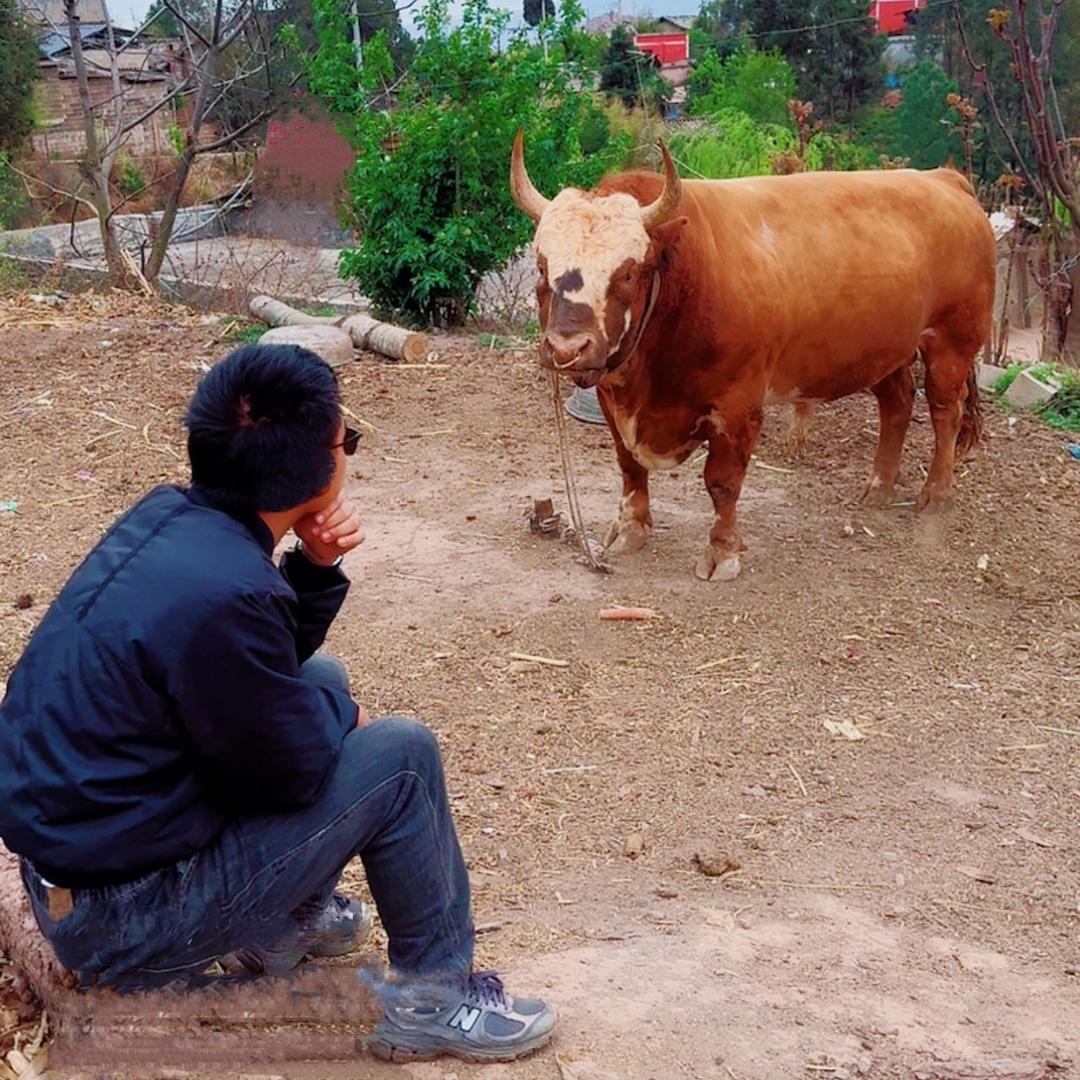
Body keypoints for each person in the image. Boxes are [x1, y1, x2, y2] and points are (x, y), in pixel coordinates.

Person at [0, 344, 555, 1064]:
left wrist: (313, 571)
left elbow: (251, 669)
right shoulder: (229, 591)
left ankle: (282, 923)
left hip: (81, 875)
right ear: (317, 468)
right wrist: (343, 724)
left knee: (320, 677)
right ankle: (433, 997)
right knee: (401, 755)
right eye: (344, 441)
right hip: (125, 921)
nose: (347, 453)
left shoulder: (172, 521)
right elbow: (286, 775)